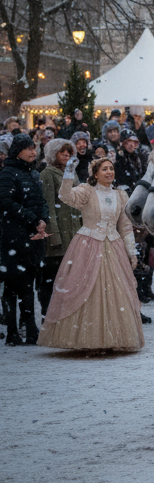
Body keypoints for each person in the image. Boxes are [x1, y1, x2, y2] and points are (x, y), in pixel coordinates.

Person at [37, 156, 144, 351]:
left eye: (111, 168)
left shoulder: (121, 195)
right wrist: (69, 173)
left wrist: (131, 252)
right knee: (86, 289)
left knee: (117, 291)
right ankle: (88, 338)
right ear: (95, 174)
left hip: (113, 246)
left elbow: (126, 227)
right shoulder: (87, 191)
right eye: (104, 169)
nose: (109, 172)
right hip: (88, 245)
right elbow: (65, 196)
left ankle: (114, 337)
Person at [0, 134, 49, 345]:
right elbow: (5, 202)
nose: (33, 152)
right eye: (28, 148)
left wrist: (43, 220)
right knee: (13, 286)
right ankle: (13, 331)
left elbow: (42, 200)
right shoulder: (8, 173)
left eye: (34, 148)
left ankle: (30, 329)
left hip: (33, 237)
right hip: (13, 238)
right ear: (17, 151)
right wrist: (32, 219)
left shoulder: (33, 173)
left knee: (28, 284)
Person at [40, 138, 82, 318]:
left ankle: (65, 316)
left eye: (69, 152)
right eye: (62, 152)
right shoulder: (47, 174)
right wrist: (54, 235)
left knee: (70, 279)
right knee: (52, 279)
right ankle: (48, 315)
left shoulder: (72, 173)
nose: (66, 155)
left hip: (74, 232)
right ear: (52, 154)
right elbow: (48, 206)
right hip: (58, 235)